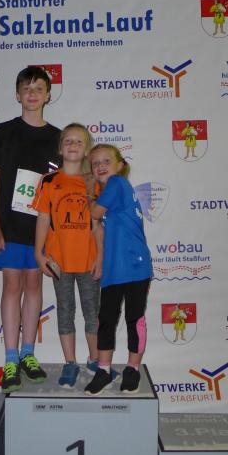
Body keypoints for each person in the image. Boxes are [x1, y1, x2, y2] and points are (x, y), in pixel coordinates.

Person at [0, 66, 61, 393]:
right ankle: (10, 359)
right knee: (12, 285)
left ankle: (29, 354)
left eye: (38, 88)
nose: (32, 94)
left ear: (48, 95)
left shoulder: (58, 138)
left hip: (41, 228)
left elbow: (59, 189)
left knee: (34, 284)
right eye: (26, 88)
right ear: (17, 95)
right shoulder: (4, 132)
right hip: (9, 227)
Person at [33, 123, 102, 388]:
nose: (73, 145)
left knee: (92, 312)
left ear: (87, 150)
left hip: (88, 260)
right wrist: (39, 252)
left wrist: (100, 257)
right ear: (60, 148)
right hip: (58, 260)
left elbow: (98, 224)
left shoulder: (93, 182)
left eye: (79, 141)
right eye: (68, 141)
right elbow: (43, 218)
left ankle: (96, 361)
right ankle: (70, 362)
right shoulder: (49, 181)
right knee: (65, 310)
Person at [84, 144, 153, 395]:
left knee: (134, 319)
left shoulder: (116, 183)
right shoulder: (112, 191)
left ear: (120, 165)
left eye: (106, 161)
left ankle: (132, 369)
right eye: (95, 163)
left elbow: (94, 212)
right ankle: (103, 370)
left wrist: (89, 190)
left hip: (135, 267)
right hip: (114, 269)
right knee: (106, 320)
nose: (100, 166)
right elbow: (100, 231)